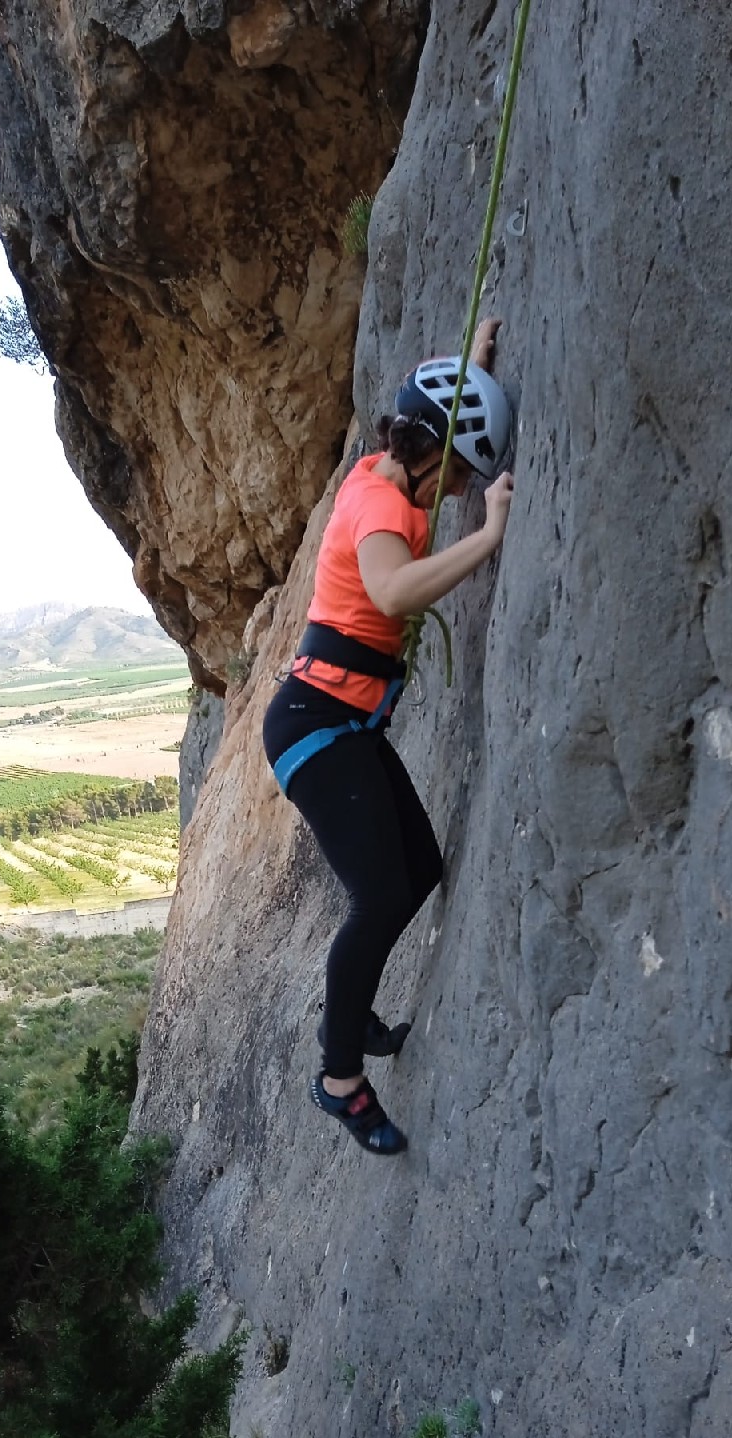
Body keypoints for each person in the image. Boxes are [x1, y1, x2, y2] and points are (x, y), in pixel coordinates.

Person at [262, 319, 515, 1156]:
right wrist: (487, 535)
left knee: (419, 873)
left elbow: (428, 418)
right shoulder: (378, 501)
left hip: (343, 723)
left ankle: (349, 1013)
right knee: (376, 897)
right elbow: (393, 591)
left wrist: (472, 369)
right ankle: (339, 1080)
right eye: (459, 473)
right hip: (316, 726)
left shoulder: (382, 470)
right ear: (429, 452)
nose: (459, 489)